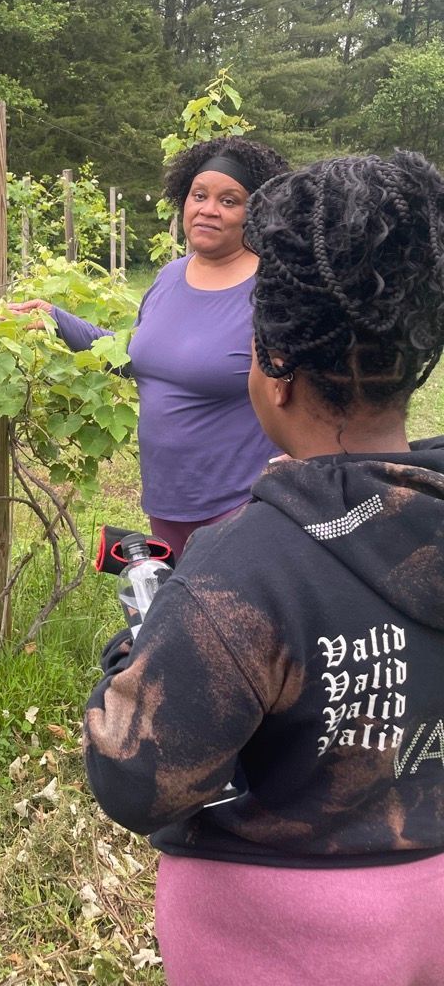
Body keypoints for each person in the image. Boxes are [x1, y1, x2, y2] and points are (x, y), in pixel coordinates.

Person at [85, 151, 444, 986]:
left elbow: (135, 781)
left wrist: (133, 652)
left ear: (272, 370)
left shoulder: (242, 571)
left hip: (280, 937)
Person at [10, 136, 289, 558]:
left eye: (229, 200)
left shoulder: (271, 291)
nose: (208, 209)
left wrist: (299, 462)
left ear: (258, 211)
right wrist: (55, 319)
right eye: (199, 195)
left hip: (239, 506)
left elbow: (310, 389)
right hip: (168, 503)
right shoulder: (170, 278)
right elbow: (137, 358)